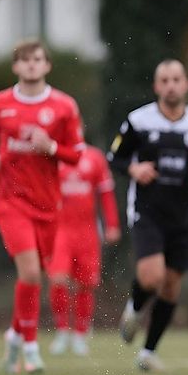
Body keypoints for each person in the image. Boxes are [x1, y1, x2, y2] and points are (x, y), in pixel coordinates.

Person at [108, 59, 188, 371]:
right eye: (164, 80)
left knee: (171, 286)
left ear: (186, 84)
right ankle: (134, 310)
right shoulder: (138, 121)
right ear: (156, 86)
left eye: (176, 79)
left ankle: (148, 351)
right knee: (152, 276)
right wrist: (133, 168)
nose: (171, 85)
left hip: (183, 216)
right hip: (147, 211)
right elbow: (115, 158)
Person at [0, 39, 86, 374]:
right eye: (25, 60)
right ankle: (30, 346)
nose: (31, 65)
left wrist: (51, 146)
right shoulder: (0, 102)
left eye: (37, 59)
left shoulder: (65, 106)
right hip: (9, 200)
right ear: (16, 66)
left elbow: (77, 152)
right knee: (30, 272)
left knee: (34, 274)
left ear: (47, 65)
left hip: (48, 204)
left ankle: (13, 333)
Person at [47, 144, 121, 356]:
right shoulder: (53, 155)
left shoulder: (94, 157)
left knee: (85, 284)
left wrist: (112, 224)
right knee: (58, 279)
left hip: (87, 230)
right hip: (60, 228)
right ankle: (62, 331)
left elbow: (106, 192)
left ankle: (80, 334)